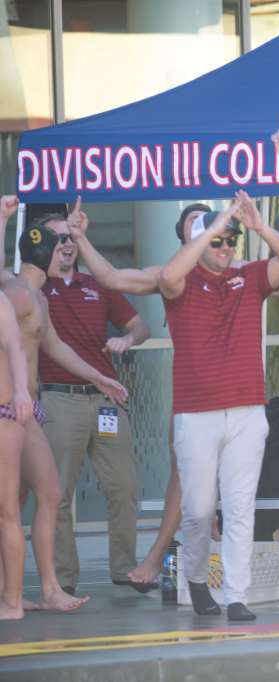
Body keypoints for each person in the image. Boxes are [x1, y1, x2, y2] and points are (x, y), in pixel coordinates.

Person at [65, 198, 279, 588]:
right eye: (204, 229)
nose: (219, 237)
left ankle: (227, 589)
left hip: (240, 403)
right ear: (188, 238)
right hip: (195, 402)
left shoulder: (242, 271)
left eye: (225, 232)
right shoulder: (172, 277)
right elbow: (110, 277)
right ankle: (181, 567)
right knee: (193, 496)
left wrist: (269, 231)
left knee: (234, 502)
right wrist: (80, 238)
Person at [158, 190, 279, 620]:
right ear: (200, 245)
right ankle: (198, 579)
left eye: (230, 240)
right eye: (218, 241)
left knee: (240, 505)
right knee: (199, 510)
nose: (226, 248)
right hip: (196, 412)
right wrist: (210, 231)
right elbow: (167, 277)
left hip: (246, 410)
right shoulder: (182, 281)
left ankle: (236, 594)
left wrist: (259, 227)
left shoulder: (250, 276)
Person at [0, 218, 129, 613]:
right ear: (44, 250)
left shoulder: (40, 299)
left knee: (51, 494)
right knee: (8, 507)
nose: (69, 251)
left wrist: (100, 377)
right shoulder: (15, 293)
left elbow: (53, 346)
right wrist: (3, 222)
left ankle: (51, 589)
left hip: (29, 411)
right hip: (9, 407)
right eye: (63, 244)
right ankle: (13, 599)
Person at [24, 201, 152, 596]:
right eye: (57, 238)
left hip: (106, 399)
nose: (66, 245)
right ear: (43, 245)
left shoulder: (98, 283)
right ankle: (62, 579)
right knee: (56, 494)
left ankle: (124, 568)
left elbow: (141, 325)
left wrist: (126, 339)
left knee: (124, 487)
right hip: (60, 400)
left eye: (71, 237)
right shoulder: (31, 288)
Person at [0, 196, 33, 620]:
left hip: (5, 411)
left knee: (7, 510)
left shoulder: (4, 302)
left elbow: (16, 349)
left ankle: (13, 601)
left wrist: (23, 393)